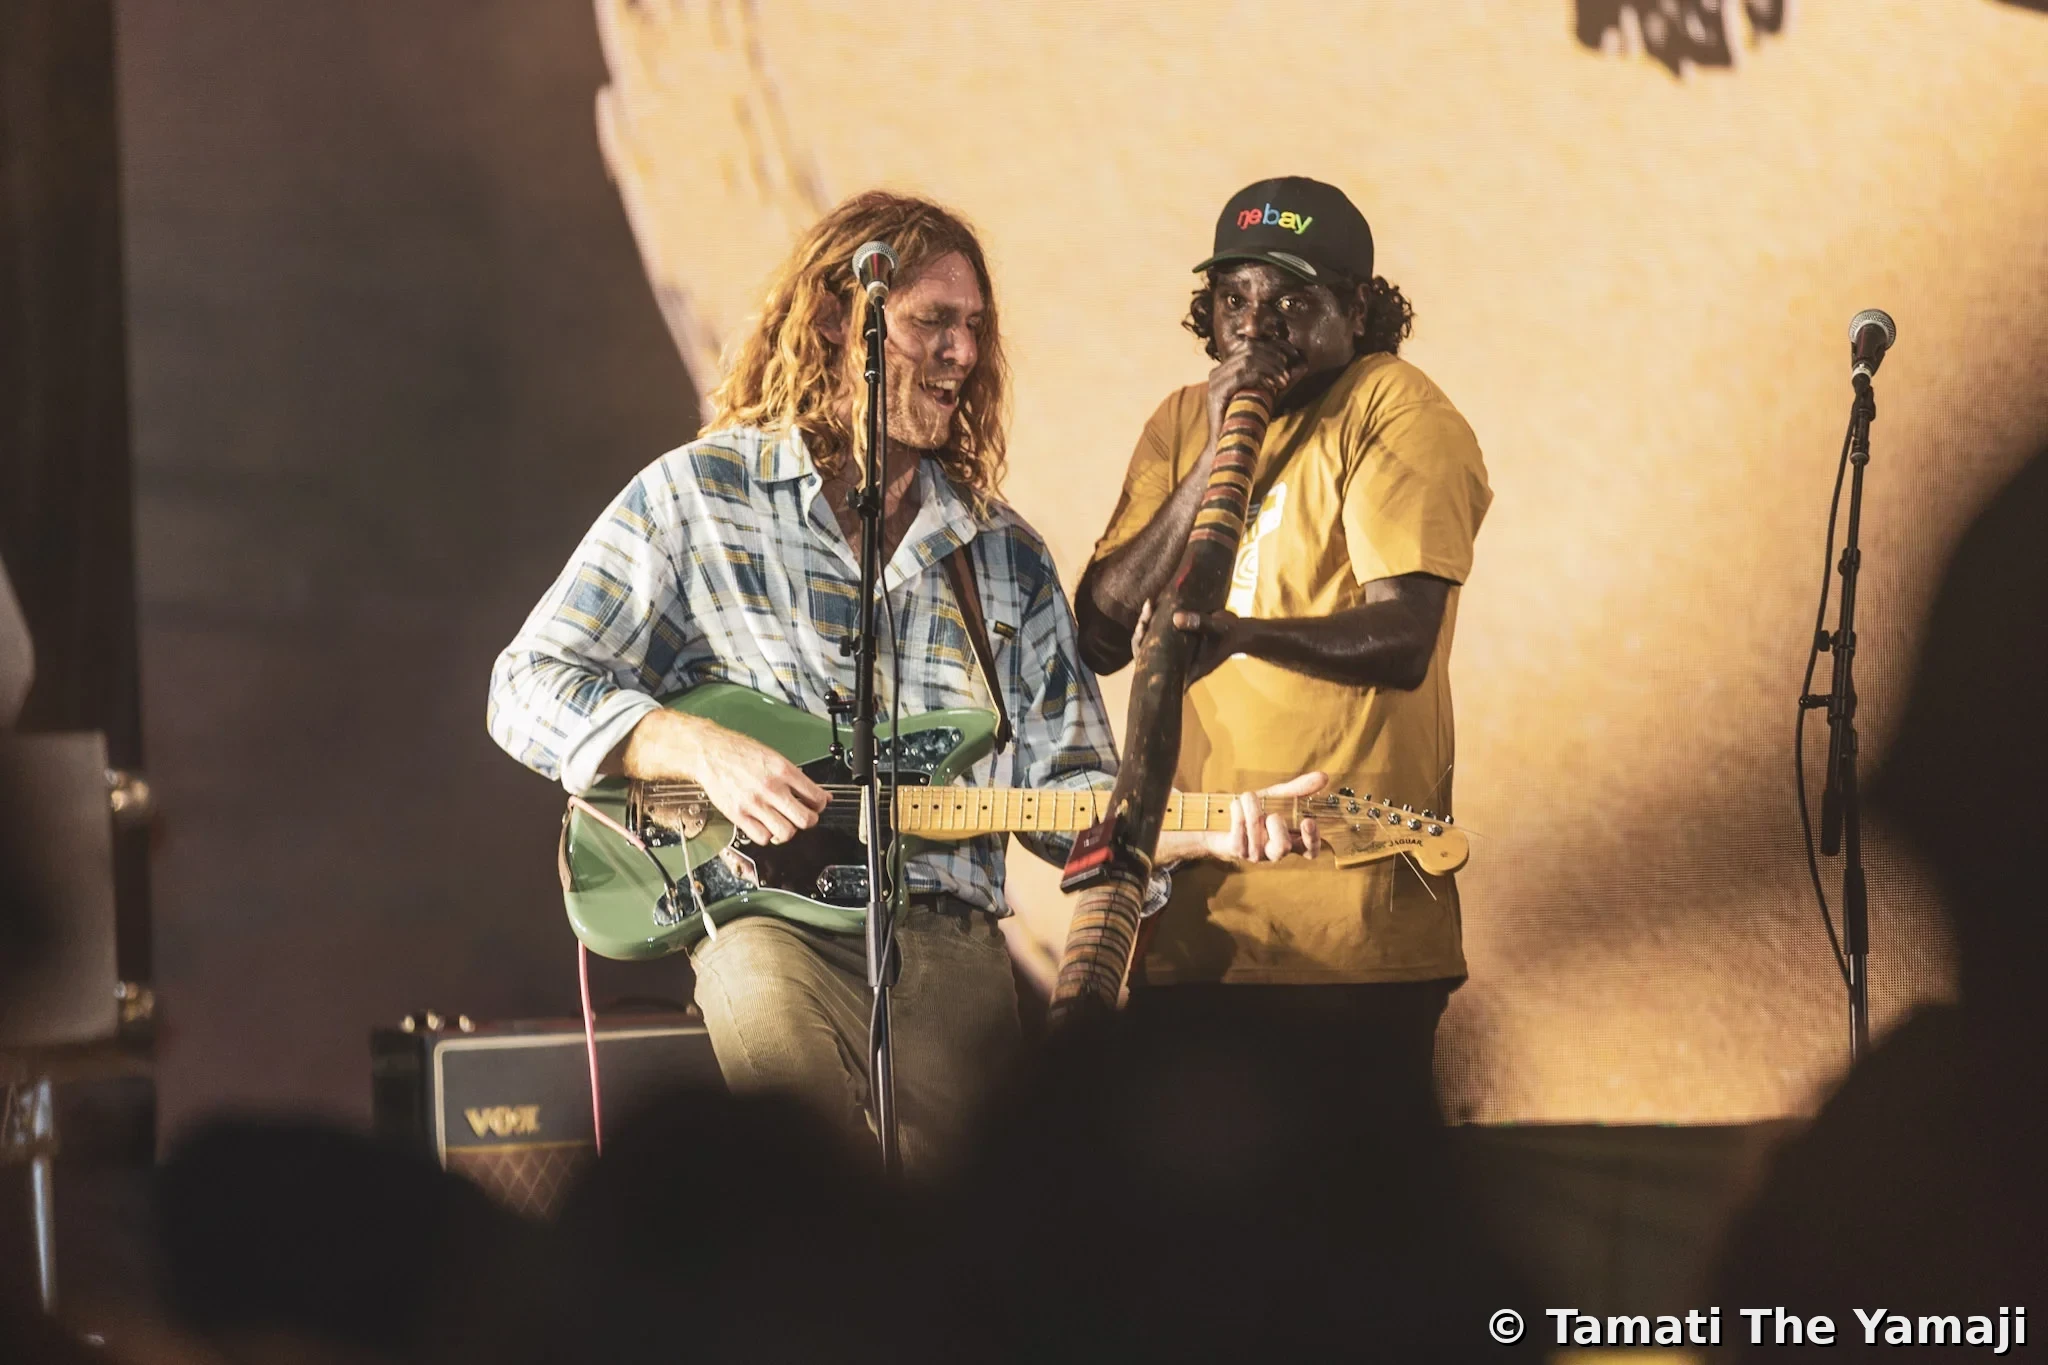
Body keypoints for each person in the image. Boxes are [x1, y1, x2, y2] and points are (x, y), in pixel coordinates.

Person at [488, 191, 1312, 1171]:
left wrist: (1211, 827)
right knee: (810, 1187)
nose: (962, 352)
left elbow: (1069, 802)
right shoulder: (696, 498)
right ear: (838, 322)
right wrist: (692, 745)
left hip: (950, 943)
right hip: (767, 927)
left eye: (975, 328)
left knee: (978, 1228)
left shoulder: (1000, 554)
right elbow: (527, 682)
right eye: (932, 322)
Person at [1076, 176, 1492, 1113]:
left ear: (1357, 310)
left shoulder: (1393, 407)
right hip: (1191, 933)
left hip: (1352, 932)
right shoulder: (1181, 421)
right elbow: (1099, 630)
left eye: (1292, 304)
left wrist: (1240, 636)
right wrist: (1215, 450)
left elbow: (1404, 636)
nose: (1255, 328)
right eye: (1235, 300)